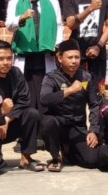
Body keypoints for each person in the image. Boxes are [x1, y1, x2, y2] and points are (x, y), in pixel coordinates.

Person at [0, 40, 44, 174]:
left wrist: (6, 119)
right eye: (1, 59)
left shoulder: (16, 73)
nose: (6, 62)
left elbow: (24, 100)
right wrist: (1, 112)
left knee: (31, 113)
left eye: (9, 58)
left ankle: (26, 158)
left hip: (9, 125)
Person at [5, 0, 63, 112]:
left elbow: (58, 26)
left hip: (45, 55)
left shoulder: (53, 3)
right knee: (27, 96)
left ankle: (44, 123)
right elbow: (9, 26)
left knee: (45, 93)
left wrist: (57, 45)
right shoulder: (14, 3)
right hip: (25, 55)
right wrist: (21, 17)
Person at [39, 39, 101, 171]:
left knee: (91, 160)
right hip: (57, 125)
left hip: (77, 127)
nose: (74, 61)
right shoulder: (51, 77)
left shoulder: (86, 77)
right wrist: (68, 91)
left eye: (77, 57)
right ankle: (55, 156)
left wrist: (93, 130)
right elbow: (44, 99)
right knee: (48, 122)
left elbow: (94, 105)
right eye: (70, 57)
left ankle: (68, 152)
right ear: (60, 58)